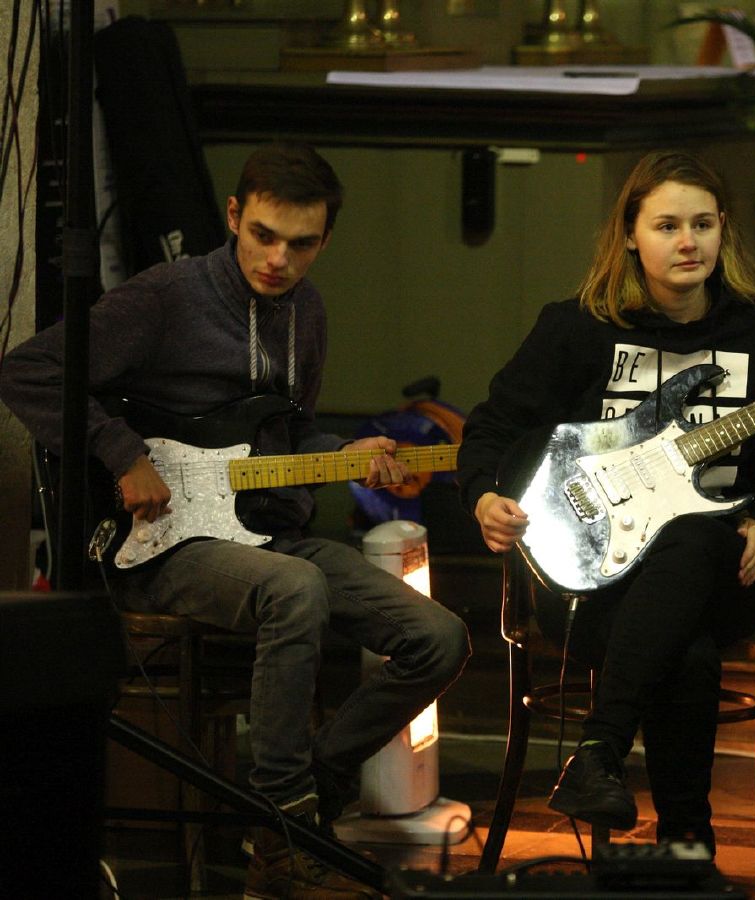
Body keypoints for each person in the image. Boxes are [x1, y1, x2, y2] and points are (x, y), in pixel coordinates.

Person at [0, 142, 470, 899]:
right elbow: (28, 370)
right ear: (232, 216)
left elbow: (288, 439)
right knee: (294, 589)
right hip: (160, 541)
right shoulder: (167, 296)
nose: (279, 260)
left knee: (439, 638)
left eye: (302, 244)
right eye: (263, 235)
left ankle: (292, 811)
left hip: (266, 531)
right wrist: (123, 455)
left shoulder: (307, 313)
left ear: (325, 241)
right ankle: (286, 829)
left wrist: (345, 456)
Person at [456, 149, 755, 852]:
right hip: (588, 579)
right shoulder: (576, 329)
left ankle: (600, 753)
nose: (688, 241)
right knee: (688, 658)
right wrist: (483, 496)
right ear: (632, 236)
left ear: (722, 230)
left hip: (721, 576)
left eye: (703, 224)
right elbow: (492, 427)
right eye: (667, 225)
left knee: (697, 532)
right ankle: (685, 845)